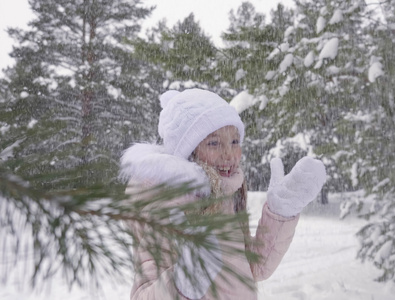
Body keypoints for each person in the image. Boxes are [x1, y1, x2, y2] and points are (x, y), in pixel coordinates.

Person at [119, 88, 326, 300]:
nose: (229, 154)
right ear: (188, 152)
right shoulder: (165, 206)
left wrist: (280, 213)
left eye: (234, 142)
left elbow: (254, 268)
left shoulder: (227, 196)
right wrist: (184, 283)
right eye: (214, 143)